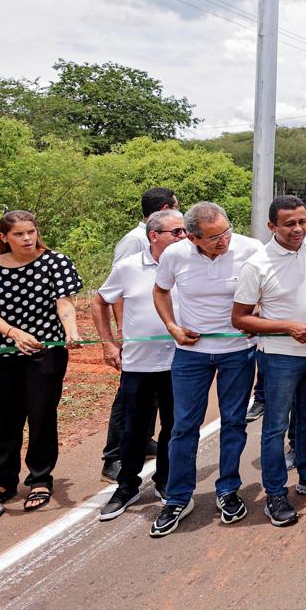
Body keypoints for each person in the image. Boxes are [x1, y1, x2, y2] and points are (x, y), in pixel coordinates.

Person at [149, 202, 262, 538]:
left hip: (237, 352)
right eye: (213, 237)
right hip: (191, 353)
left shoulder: (250, 249)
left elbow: (267, 287)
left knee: (233, 421)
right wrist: (172, 326)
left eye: (226, 231)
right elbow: (160, 290)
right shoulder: (175, 255)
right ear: (193, 237)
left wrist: (258, 318)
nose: (223, 241)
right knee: (183, 426)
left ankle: (228, 490)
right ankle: (178, 497)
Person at [0, 211, 82, 513]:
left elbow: (65, 302)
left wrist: (71, 331)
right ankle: (4, 482)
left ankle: (40, 479)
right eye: (19, 234)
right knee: (6, 418)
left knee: (41, 414)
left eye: (31, 231)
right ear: (4, 237)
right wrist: (13, 332)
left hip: (46, 352)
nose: (28, 238)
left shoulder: (55, 261)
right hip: (1, 355)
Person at [232, 195, 306, 527]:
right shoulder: (257, 264)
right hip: (279, 358)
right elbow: (240, 319)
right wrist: (286, 326)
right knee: (275, 427)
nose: (298, 229)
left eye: (303, 221)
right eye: (289, 223)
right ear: (271, 226)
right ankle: (275, 492)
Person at [93, 208, 186, 521]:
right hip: (138, 365)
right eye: (176, 232)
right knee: (134, 429)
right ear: (153, 235)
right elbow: (99, 301)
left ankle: (165, 481)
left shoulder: (190, 262)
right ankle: (126, 486)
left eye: (185, 230)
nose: (183, 237)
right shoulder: (129, 267)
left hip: (181, 362)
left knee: (174, 426)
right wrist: (108, 342)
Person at [102, 186, 177, 481]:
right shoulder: (133, 242)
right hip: (137, 345)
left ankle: (145, 449)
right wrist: (123, 333)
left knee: (154, 406)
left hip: (165, 350)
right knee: (128, 403)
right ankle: (113, 458)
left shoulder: (173, 249)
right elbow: (117, 291)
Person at [113, 187, 178, 263]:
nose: (178, 212)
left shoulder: (165, 235)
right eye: (176, 207)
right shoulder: (134, 240)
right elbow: (120, 273)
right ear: (166, 209)